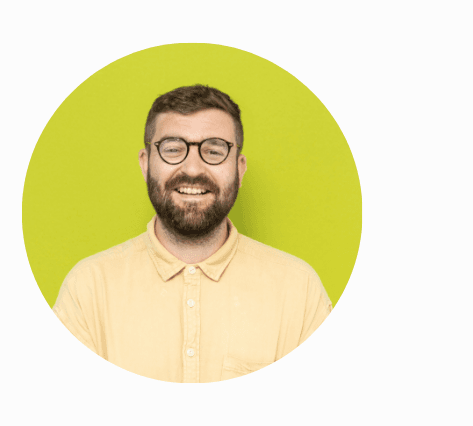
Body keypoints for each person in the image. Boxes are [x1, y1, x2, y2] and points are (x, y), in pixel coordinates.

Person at [52, 84, 332, 383]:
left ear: (239, 168)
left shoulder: (300, 291)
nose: (194, 169)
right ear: (146, 164)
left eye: (214, 151)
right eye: (173, 149)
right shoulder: (88, 289)